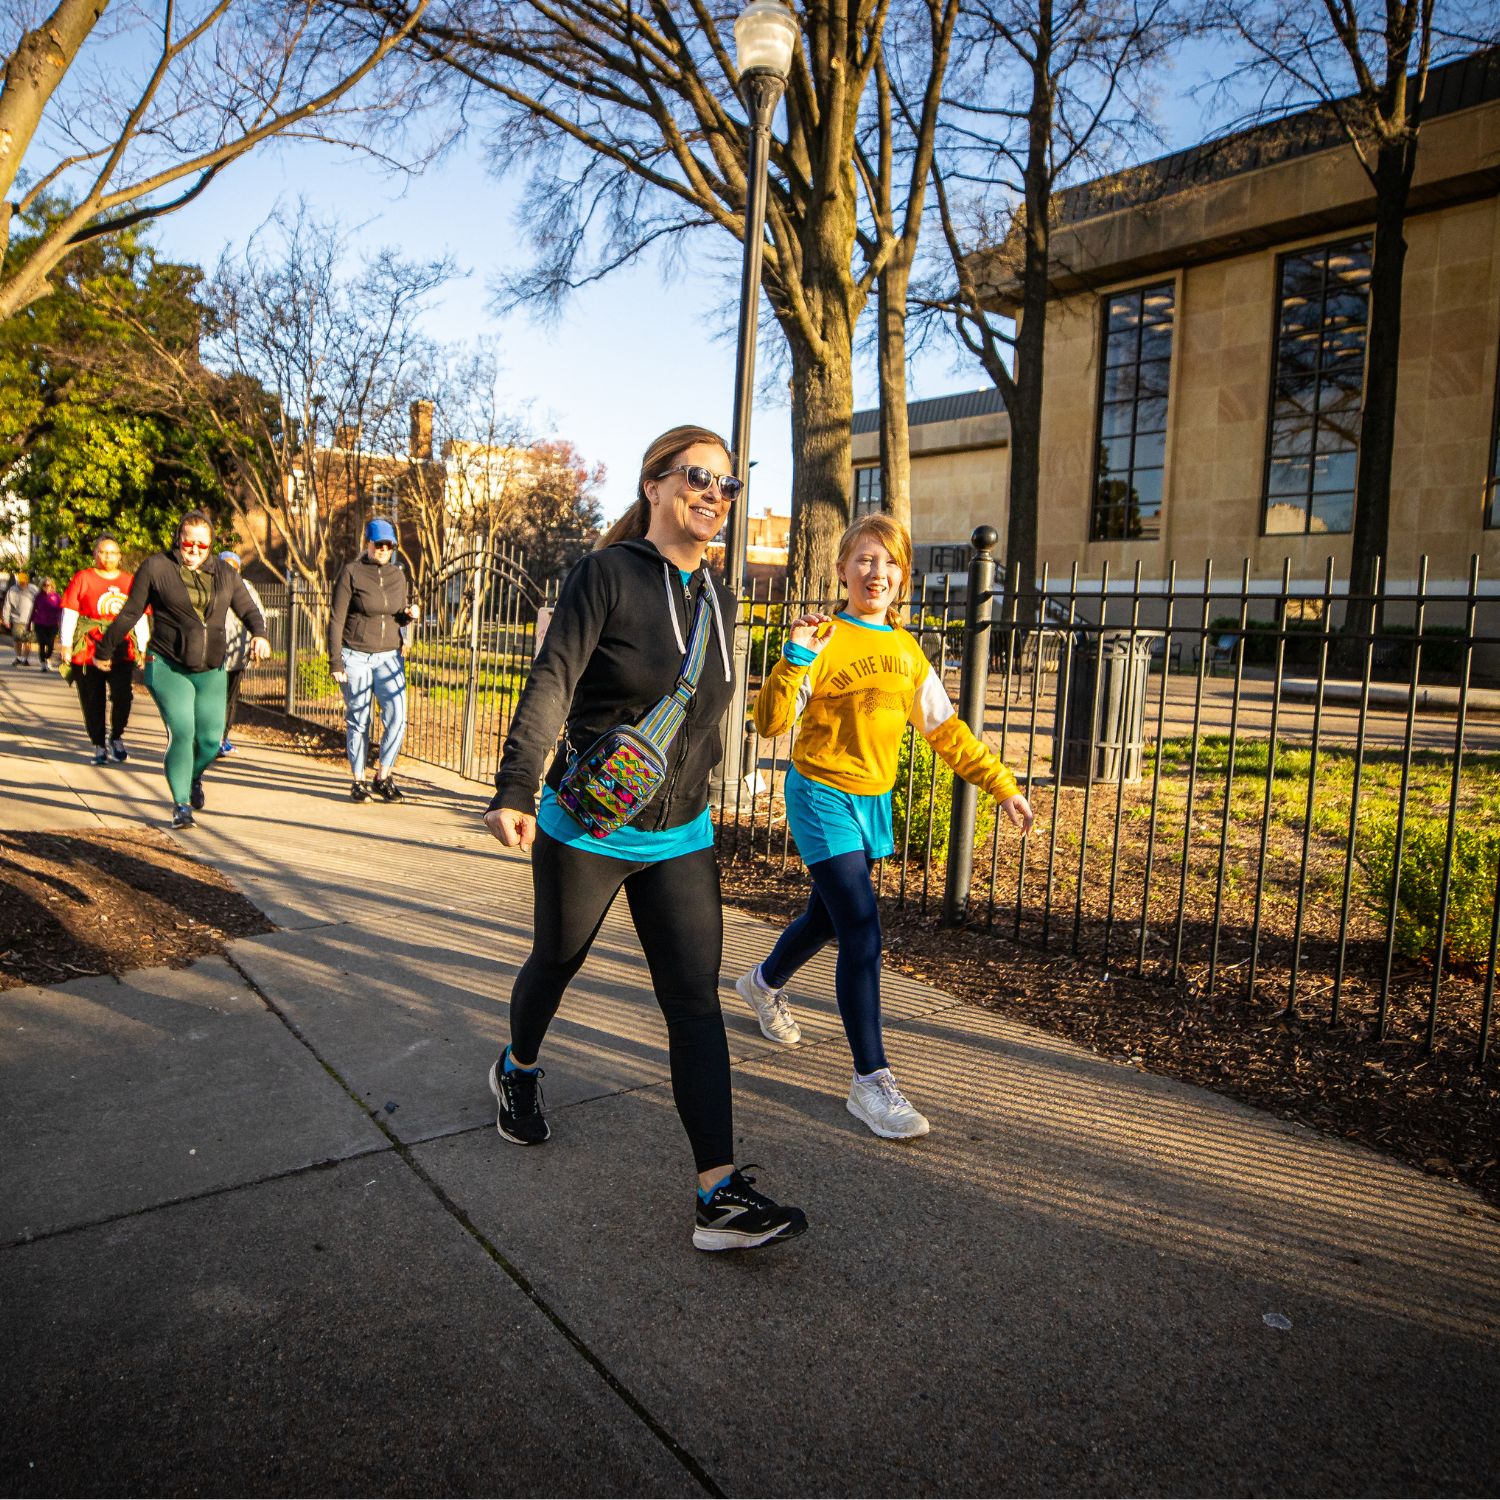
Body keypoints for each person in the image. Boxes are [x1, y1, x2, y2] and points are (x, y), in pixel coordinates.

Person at [482, 424, 807, 1254]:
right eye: (698, 477)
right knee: (556, 961)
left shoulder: (722, 601)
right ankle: (516, 1070)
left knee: (693, 1005)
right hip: (589, 824)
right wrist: (516, 783)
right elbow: (552, 677)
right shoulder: (607, 574)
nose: (715, 494)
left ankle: (719, 1196)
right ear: (656, 486)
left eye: (728, 484)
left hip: (681, 834)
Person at [735, 513, 1035, 1140]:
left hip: (873, 802)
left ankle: (761, 984)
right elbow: (767, 723)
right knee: (863, 931)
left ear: (904, 577)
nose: (877, 572)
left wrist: (1002, 784)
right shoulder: (821, 638)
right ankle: (870, 1082)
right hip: (820, 794)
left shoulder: (904, 650)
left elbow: (945, 730)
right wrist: (793, 656)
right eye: (864, 560)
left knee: (826, 917)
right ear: (842, 569)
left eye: (890, 562)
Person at [96, 510, 269, 829]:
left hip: (211, 668)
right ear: (179, 539)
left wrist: (260, 635)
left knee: (209, 740)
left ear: (210, 545)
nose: (194, 550)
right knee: (183, 731)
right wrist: (105, 649)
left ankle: (192, 777)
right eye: (188, 542)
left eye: (202, 546)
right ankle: (181, 805)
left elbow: (248, 609)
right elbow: (131, 612)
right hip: (167, 665)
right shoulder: (157, 567)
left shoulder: (224, 573)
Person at [327, 519, 420, 803]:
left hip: (389, 656)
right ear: (367, 543)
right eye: (377, 544)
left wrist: (408, 615)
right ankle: (358, 780)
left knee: (397, 717)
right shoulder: (352, 573)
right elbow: (337, 619)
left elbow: (397, 617)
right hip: (355, 655)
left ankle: (384, 776)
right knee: (359, 718)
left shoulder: (398, 576)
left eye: (388, 545)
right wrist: (335, 663)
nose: (382, 549)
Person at [61, 536, 149, 764]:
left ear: (120, 556)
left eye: (112, 552)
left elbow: (139, 616)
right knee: (92, 699)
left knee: (122, 696)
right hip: (90, 648)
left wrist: (142, 645)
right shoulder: (83, 578)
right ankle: (99, 744)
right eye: (103, 552)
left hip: (121, 647)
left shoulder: (130, 581)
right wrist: (66, 644)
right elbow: (70, 612)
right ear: (95, 554)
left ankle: (117, 736)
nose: (107, 557)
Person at [217, 551, 265, 756]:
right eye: (225, 566)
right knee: (213, 697)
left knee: (230, 697)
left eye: (233, 567)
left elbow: (258, 615)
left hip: (237, 653)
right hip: (212, 653)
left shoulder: (247, 589)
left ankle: (222, 737)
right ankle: (209, 737)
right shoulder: (211, 586)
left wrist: (258, 640)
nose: (230, 571)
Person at [4, 571, 38, 666]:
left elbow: (40, 602)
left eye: (24, 582)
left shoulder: (33, 589)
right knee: (17, 639)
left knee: (28, 640)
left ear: (27, 581)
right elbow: (7, 606)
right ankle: (19, 657)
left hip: (31, 620)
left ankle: (25, 658)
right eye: (21, 582)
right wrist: (6, 619)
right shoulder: (12, 590)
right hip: (17, 619)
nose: (23, 583)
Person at [31, 579, 63, 669]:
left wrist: (61, 621)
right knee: (41, 643)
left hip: (52, 623)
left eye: (48, 585)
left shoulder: (56, 597)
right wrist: (30, 622)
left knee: (50, 643)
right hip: (40, 623)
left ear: (52, 586)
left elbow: (61, 610)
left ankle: (48, 658)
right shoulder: (38, 597)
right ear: (41, 586)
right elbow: (33, 610)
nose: (46, 587)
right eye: (44, 585)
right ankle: (42, 663)